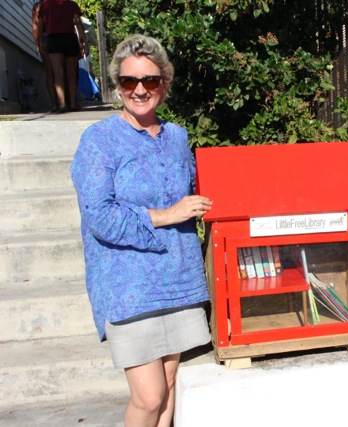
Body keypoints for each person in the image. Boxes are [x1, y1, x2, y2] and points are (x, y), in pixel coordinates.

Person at [70, 34, 212, 427]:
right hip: (127, 283)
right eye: (129, 81)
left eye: (149, 80)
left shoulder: (178, 136)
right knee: (148, 397)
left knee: (168, 385)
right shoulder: (98, 140)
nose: (139, 90)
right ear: (117, 85)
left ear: (164, 83)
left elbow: (200, 188)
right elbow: (98, 213)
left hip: (179, 276)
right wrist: (167, 214)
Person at [38, 0, 87, 112]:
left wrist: (40, 41)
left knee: (58, 73)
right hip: (70, 38)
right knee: (72, 74)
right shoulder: (72, 5)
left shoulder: (44, 5)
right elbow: (78, 22)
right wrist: (83, 40)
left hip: (53, 39)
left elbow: (40, 25)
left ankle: (62, 104)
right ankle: (73, 103)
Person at [31, 1, 57, 111]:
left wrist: (38, 43)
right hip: (56, 37)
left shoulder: (39, 7)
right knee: (58, 72)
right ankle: (61, 102)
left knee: (50, 73)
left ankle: (54, 103)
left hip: (46, 38)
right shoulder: (54, 6)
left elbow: (35, 28)